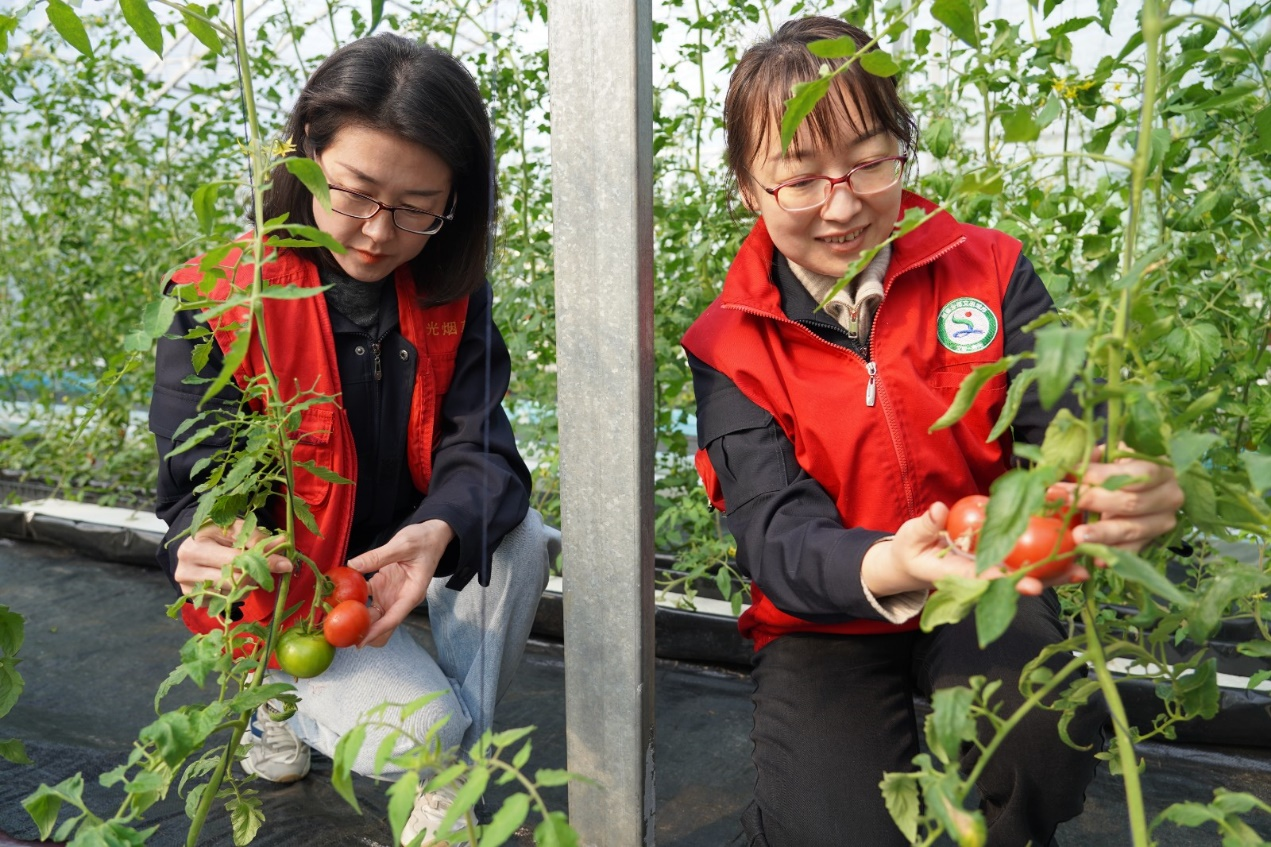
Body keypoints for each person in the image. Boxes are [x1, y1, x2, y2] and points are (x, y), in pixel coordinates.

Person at [681, 16, 1185, 847]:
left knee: (1039, 734)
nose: (840, 205)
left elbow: (1060, 424)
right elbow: (772, 535)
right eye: (798, 179)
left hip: (989, 577)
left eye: (868, 162)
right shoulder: (729, 342)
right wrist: (886, 561)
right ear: (747, 186)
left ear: (899, 150)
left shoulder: (986, 267)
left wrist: (1116, 477)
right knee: (830, 827)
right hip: (824, 617)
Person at [148, 33, 549, 847]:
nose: (377, 230)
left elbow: (485, 455)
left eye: (415, 207)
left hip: (388, 568)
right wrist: (201, 544)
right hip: (297, 594)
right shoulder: (223, 300)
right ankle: (274, 699)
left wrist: (435, 529)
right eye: (355, 192)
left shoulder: (449, 297)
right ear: (303, 158)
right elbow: (195, 487)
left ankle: (443, 772)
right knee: (421, 729)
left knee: (524, 539)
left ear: (453, 203)